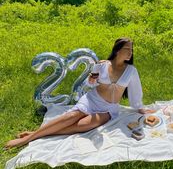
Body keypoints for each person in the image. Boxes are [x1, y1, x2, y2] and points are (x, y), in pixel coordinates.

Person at [5, 38, 155, 149]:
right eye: (127, 49)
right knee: (71, 116)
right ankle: (27, 140)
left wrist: (139, 107)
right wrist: (91, 79)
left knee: (84, 125)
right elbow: (89, 84)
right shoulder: (102, 65)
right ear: (117, 50)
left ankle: (34, 134)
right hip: (92, 100)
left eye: (131, 50)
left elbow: (136, 91)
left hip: (109, 108)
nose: (130, 53)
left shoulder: (131, 71)